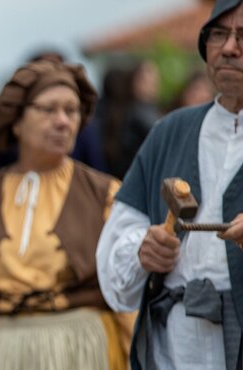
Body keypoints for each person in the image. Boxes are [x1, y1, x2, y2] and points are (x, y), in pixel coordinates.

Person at [0, 59, 136, 370]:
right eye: (48, 109)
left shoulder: (106, 196)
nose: (63, 121)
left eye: (71, 111)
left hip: (80, 356)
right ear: (16, 120)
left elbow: (129, 303)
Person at [97, 0, 243, 368]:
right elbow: (121, 232)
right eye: (219, 35)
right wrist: (142, 251)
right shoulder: (168, 132)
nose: (229, 48)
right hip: (173, 344)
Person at [96, 57, 162, 179]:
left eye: (154, 79)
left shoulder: (144, 110)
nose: (152, 83)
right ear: (133, 81)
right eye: (145, 79)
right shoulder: (136, 113)